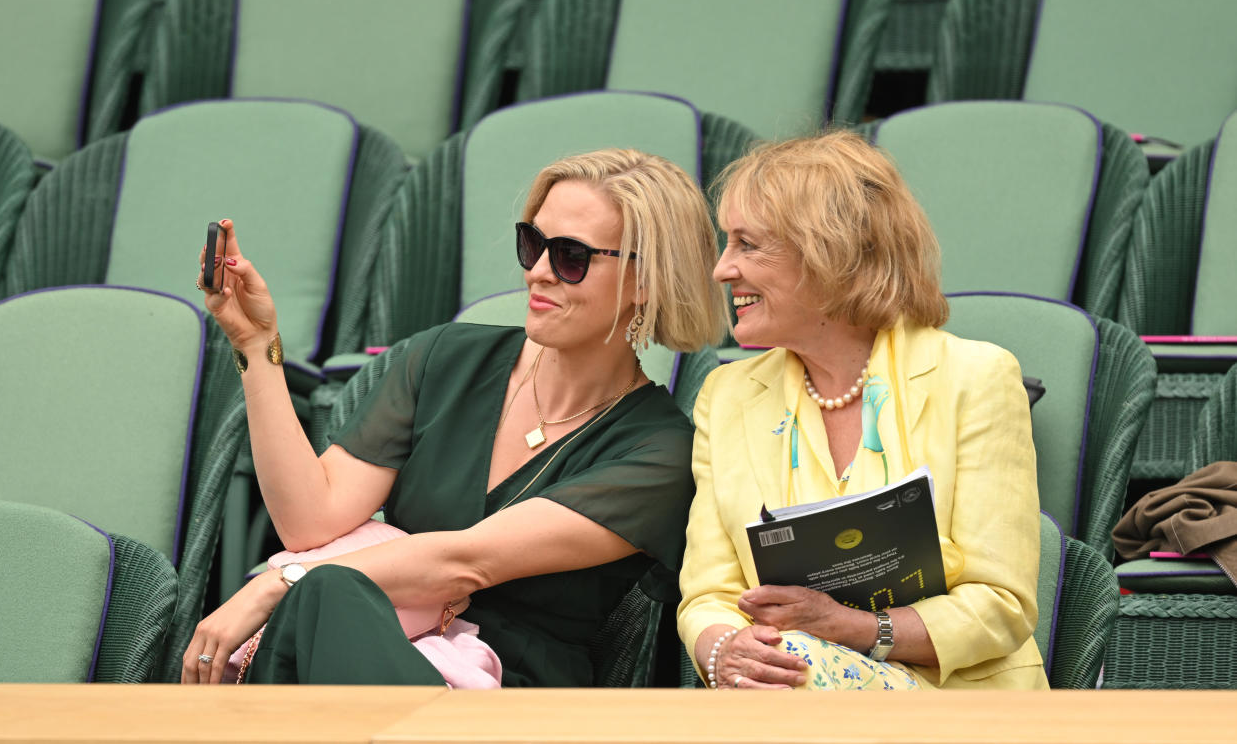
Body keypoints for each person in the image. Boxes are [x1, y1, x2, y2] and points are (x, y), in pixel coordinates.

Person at [185, 148, 728, 686]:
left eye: (571, 256)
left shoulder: (658, 450)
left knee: (328, 595)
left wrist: (282, 581)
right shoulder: (447, 358)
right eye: (533, 244)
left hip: (502, 698)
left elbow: (466, 563)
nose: (538, 273)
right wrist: (257, 347)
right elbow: (311, 521)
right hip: (361, 646)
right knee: (328, 603)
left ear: (647, 281)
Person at [677, 131, 1048, 690]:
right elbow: (707, 594)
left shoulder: (976, 378)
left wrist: (847, 627)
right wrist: (725, 650)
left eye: (748, 245)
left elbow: (1001, 604)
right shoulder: (725, 395)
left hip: (958, 704)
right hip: (787, 688)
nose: (722, 270)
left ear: (831, 252)